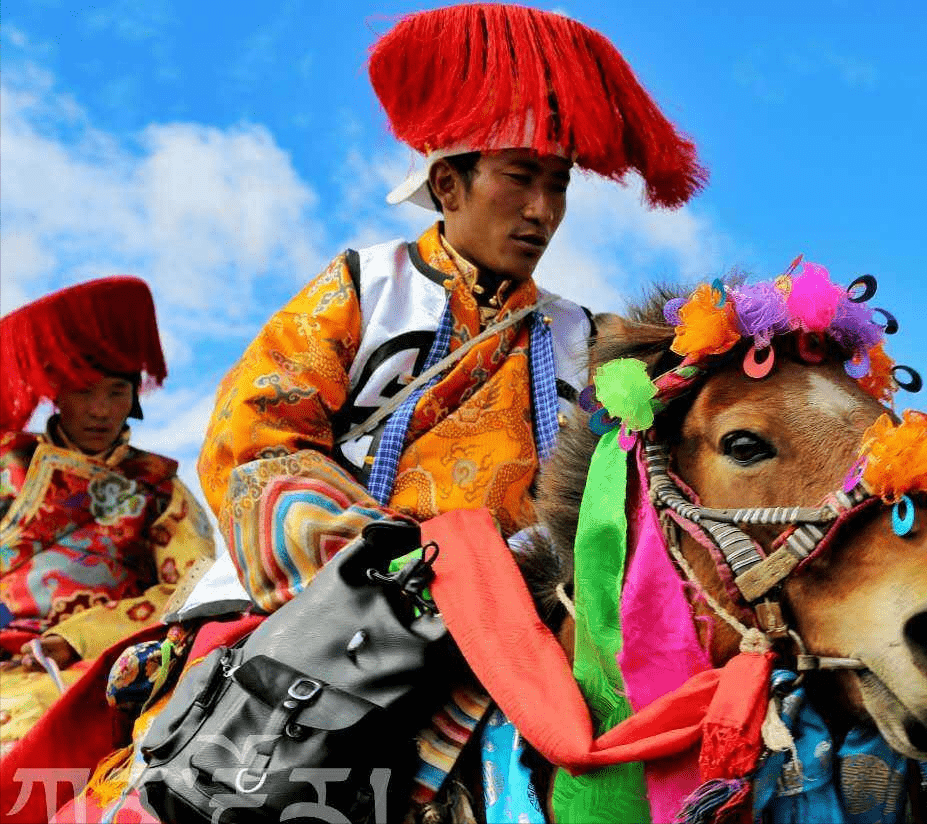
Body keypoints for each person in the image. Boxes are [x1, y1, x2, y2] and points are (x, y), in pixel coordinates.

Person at [27, 6, 706, 821]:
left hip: (516, 606)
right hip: (335, 586)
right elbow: (257, 434)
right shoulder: (363, 285)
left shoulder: (582, 336)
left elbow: (619, 477)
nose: (542, 210)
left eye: (557, 184)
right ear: (447, 184)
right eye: (519, 176)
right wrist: (380, 560)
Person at [0, 276, 216, 754]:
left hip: (96, 662)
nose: (100, 410)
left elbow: (192, 587)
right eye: (83, 391)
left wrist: (79, 637)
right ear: (57, 394)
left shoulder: (158, 488)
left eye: (116, 392)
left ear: (133, 400)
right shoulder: (7, 464)